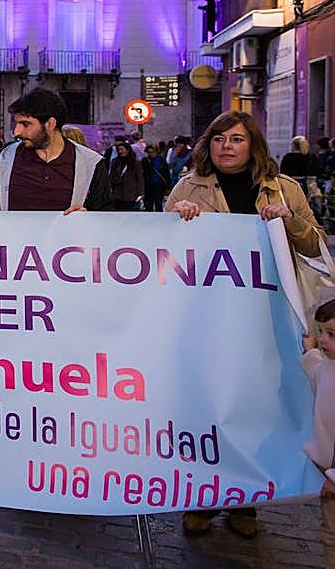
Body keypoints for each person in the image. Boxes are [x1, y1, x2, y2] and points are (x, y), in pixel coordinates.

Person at [168, 110, 326, 537]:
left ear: (252, 144)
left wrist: (289, 220)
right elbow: (161, 246)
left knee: (253, 407)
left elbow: (314, 243)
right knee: (209, 407)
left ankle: (245, 502)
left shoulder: (284, 188)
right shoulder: (190, 186)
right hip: (206, 314)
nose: (226, 147)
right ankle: (204, 497)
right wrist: (176, 217)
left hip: (264, 315)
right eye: (219, 139)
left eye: (236, 140)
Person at [0, 88, 111, 213]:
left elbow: (105, 217)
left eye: (25, 124)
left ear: (50, 124)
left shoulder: (91, 164)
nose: (17, 131)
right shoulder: (4, 159)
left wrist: (88, 217)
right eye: (16, 123)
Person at [302, 299, 335, 566]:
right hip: (328, 471)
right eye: (321, 331)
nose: (324, 339)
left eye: (331, 335)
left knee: (332, 535)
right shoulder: (328, 363)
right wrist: (310, 350)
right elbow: (317, 370)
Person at [108, 141, 144, 211]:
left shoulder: (135, 163)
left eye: (122, 149)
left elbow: (140, 178)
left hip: (131, 194)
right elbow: (111, 177)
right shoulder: (115, 162)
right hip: (117, 193)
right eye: (119, 150)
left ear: (128, 150)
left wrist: (141, 193)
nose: (120, 151)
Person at [141, 143, 171, 212]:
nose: (151, 154)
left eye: (152, 152)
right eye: (149, 152)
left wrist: (168, 186)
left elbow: (166, 174)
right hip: (148, 185)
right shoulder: (145, 161)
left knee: (158, 204)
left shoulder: (161, 160)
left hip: (159, 185)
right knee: (148, 205)